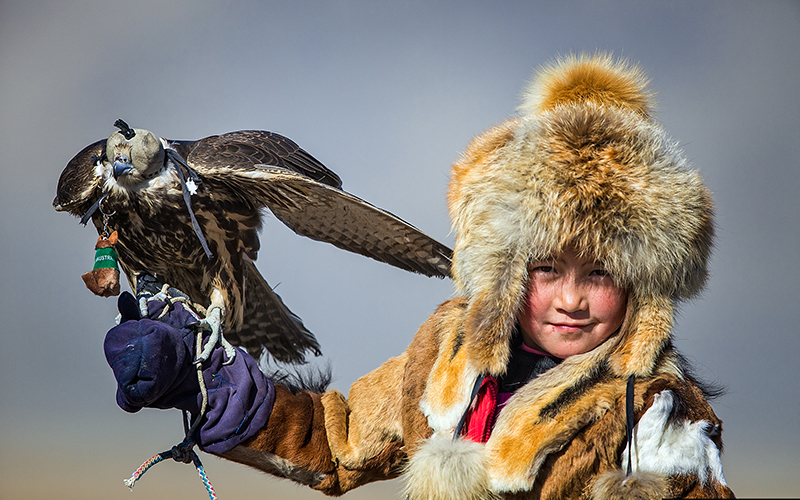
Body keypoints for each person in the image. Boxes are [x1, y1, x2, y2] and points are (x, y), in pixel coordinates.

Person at [104, 54, 734, 499]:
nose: (570, 297)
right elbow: (337, 441)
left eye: (600, 272)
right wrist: (210, 384)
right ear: (504, 270)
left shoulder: (654, 410)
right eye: (545, 268)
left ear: (644, 285)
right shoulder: (449, 358)